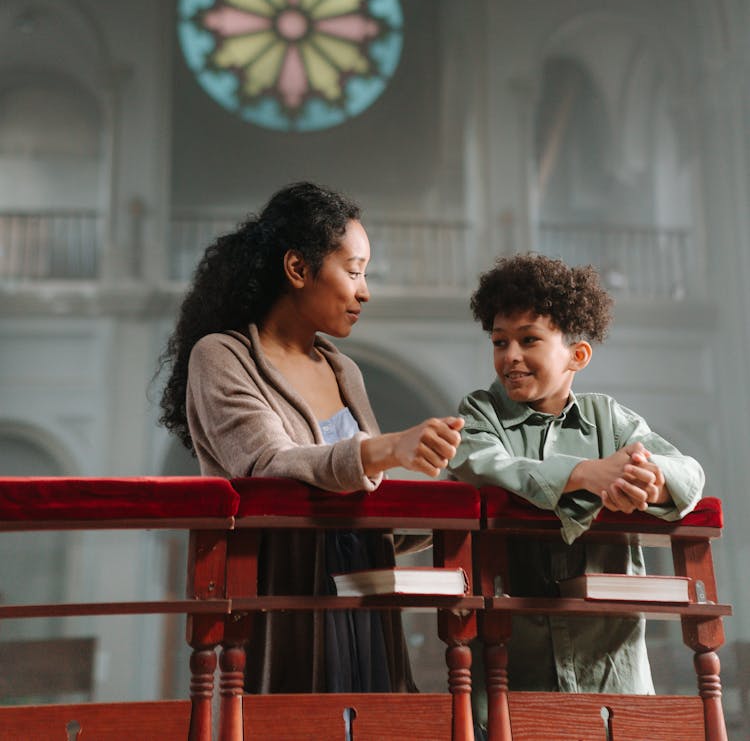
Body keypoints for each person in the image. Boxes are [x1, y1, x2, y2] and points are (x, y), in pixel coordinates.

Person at [158, 180, 463, 695]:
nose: (364, 291)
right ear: (298, 269)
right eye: (354, 271)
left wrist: (454, 493)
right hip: (284, 596)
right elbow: (269, 465)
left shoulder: (345, 370)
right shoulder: (222, 356)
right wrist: (388, 447)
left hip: (366, 593)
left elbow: (364, 510)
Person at [447, 253, 704, 733]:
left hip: (610, 666)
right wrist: (587, 474)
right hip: (511, 665)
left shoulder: (611, 420)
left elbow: (688, 473)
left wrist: (647, 479)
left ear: (577, 355)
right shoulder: (480, 412)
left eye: (529, 340)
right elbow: (483, 465)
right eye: (500, 342)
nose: (510, 356)